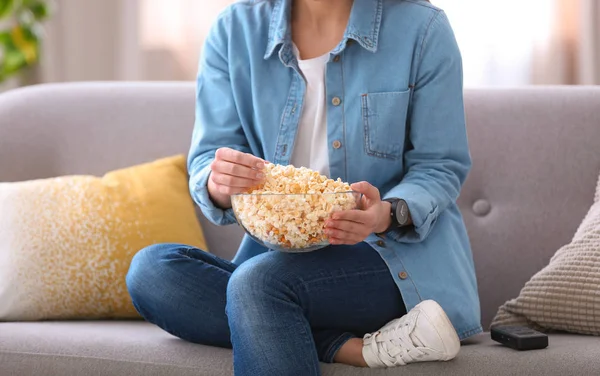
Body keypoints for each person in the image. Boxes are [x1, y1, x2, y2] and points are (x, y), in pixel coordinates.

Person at [126, 0, 482, 375]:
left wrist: (385, 213)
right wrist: (218, 182)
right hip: (274, 258)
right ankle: (346, 346)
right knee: (151, 271)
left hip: (387, 255)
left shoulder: (423, 29)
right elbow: (208, 159)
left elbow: (440, 166)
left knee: (257, 285)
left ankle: (280, 315)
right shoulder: (234, 31)